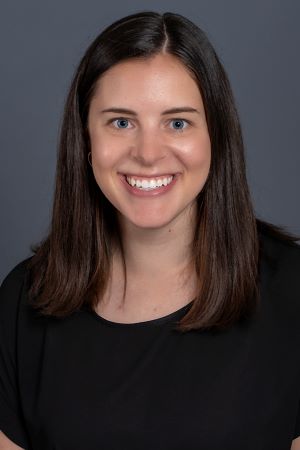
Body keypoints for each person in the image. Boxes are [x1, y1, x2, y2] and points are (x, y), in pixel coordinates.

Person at [0, 10, 300, 450]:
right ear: (85, 140)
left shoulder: (293, 291)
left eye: (177, 122)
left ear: (215, 137)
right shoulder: (22, 303)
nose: (147, 153)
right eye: (121, 122)